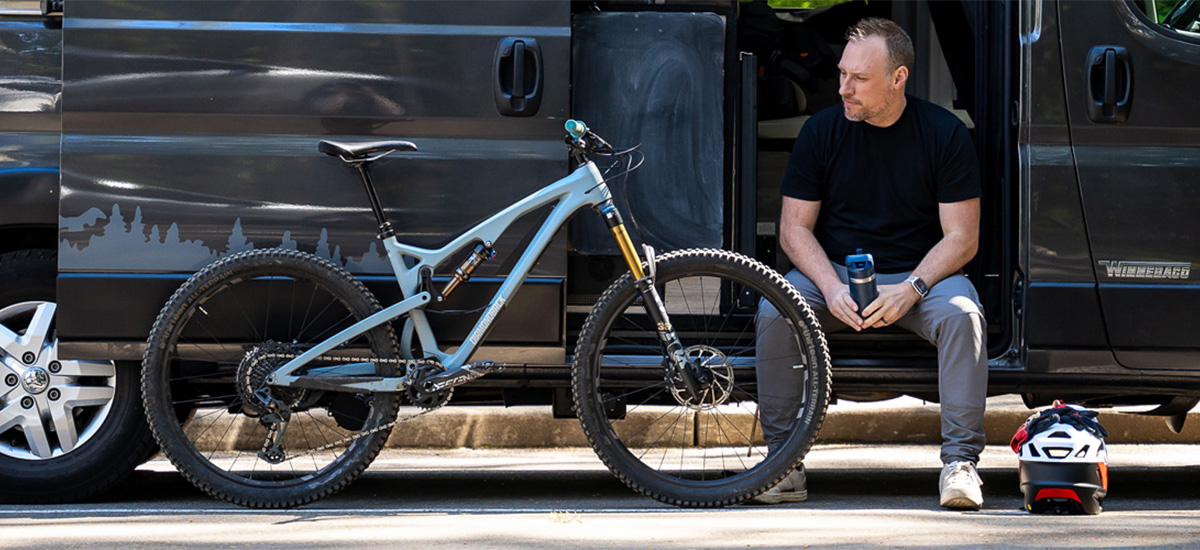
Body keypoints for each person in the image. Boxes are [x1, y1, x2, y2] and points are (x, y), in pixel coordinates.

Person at [751, 17, 987, 510]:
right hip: (832, 273)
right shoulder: (821, 131)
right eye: (842, 74)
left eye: (859, 79)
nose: (843, 88)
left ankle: (960, 465)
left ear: (898, 79)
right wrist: (831, 288)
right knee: (776, 311)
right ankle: (782, 463)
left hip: (919, 277)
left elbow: (962, 239)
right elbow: (793, 230)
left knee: (964, 316)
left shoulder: (944, 134)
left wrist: (913, 288)